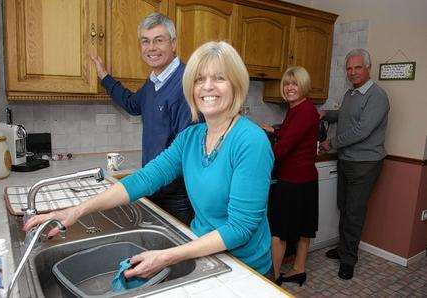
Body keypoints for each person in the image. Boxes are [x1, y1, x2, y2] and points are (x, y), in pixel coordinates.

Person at [25, 41, 274, 278]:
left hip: (246, 268)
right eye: (199, 79)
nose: (207, 87)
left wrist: (167, 256)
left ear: (237, 85)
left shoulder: (250, 141)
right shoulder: (191, 137)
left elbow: (240, 228)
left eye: (219, 78)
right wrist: (77, 210)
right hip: (204, 251)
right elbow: (145, 178)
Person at [90, 13, 194, 225]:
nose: (151, 48)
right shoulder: (153, 83)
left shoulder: (185, 83)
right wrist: (104, 77)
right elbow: (131, 103)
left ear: (173, 44)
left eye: (159, 40)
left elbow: (185, 151)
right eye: (145, 41)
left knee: (174, 255)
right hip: (155, 185)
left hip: (177, 196)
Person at [319, 48, 390, 280]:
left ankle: (348, 260)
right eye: (349, 68)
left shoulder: (377, 96)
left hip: (365, 163)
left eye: (357, 67)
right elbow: (344, 115)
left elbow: (362, 130)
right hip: (347, 160)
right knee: (344, 206)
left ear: (368, 68)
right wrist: (324, 114)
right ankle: (342, 249)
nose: (352, 72)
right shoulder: (352, 94)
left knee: (354, 212)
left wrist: (332, 143)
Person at [261, 66, 319, 286]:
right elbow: (289, 136)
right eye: (286, 83)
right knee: (304, 228)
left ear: (303, 85)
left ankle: (273, 277)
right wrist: (274, 132)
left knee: (279, 230)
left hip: (293, 180)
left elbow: (283, 148)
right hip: (306, 178)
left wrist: (259, 155)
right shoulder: (299, 108)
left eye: (294, 83)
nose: (289, 87)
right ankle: (298, 270)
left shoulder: (303, 111)